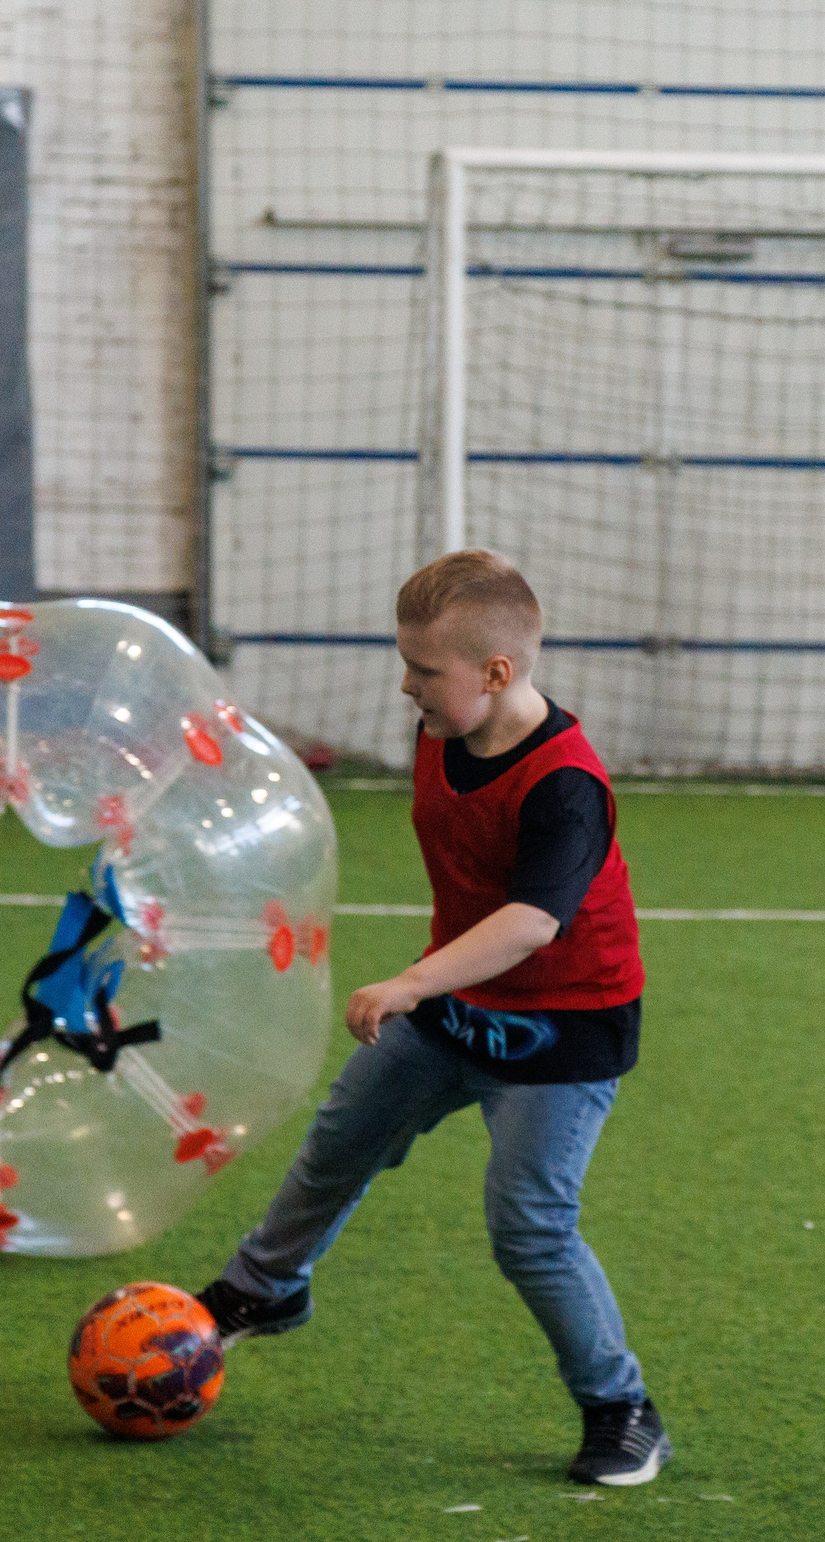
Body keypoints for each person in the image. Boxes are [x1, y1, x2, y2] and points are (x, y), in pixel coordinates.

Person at [196, 548, 669, 1486]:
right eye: (405, 662)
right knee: (342, 1139)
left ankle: (623, 1411)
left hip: (561, 1034)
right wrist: (433, 988)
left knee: (529, 1226)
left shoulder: (566, 786)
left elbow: (534, 923)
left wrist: (411, 986)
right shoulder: (441, 731)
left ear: (496, 675)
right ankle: (262, 1290)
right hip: (459, 1002)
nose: (405, 684)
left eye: (424, 670)